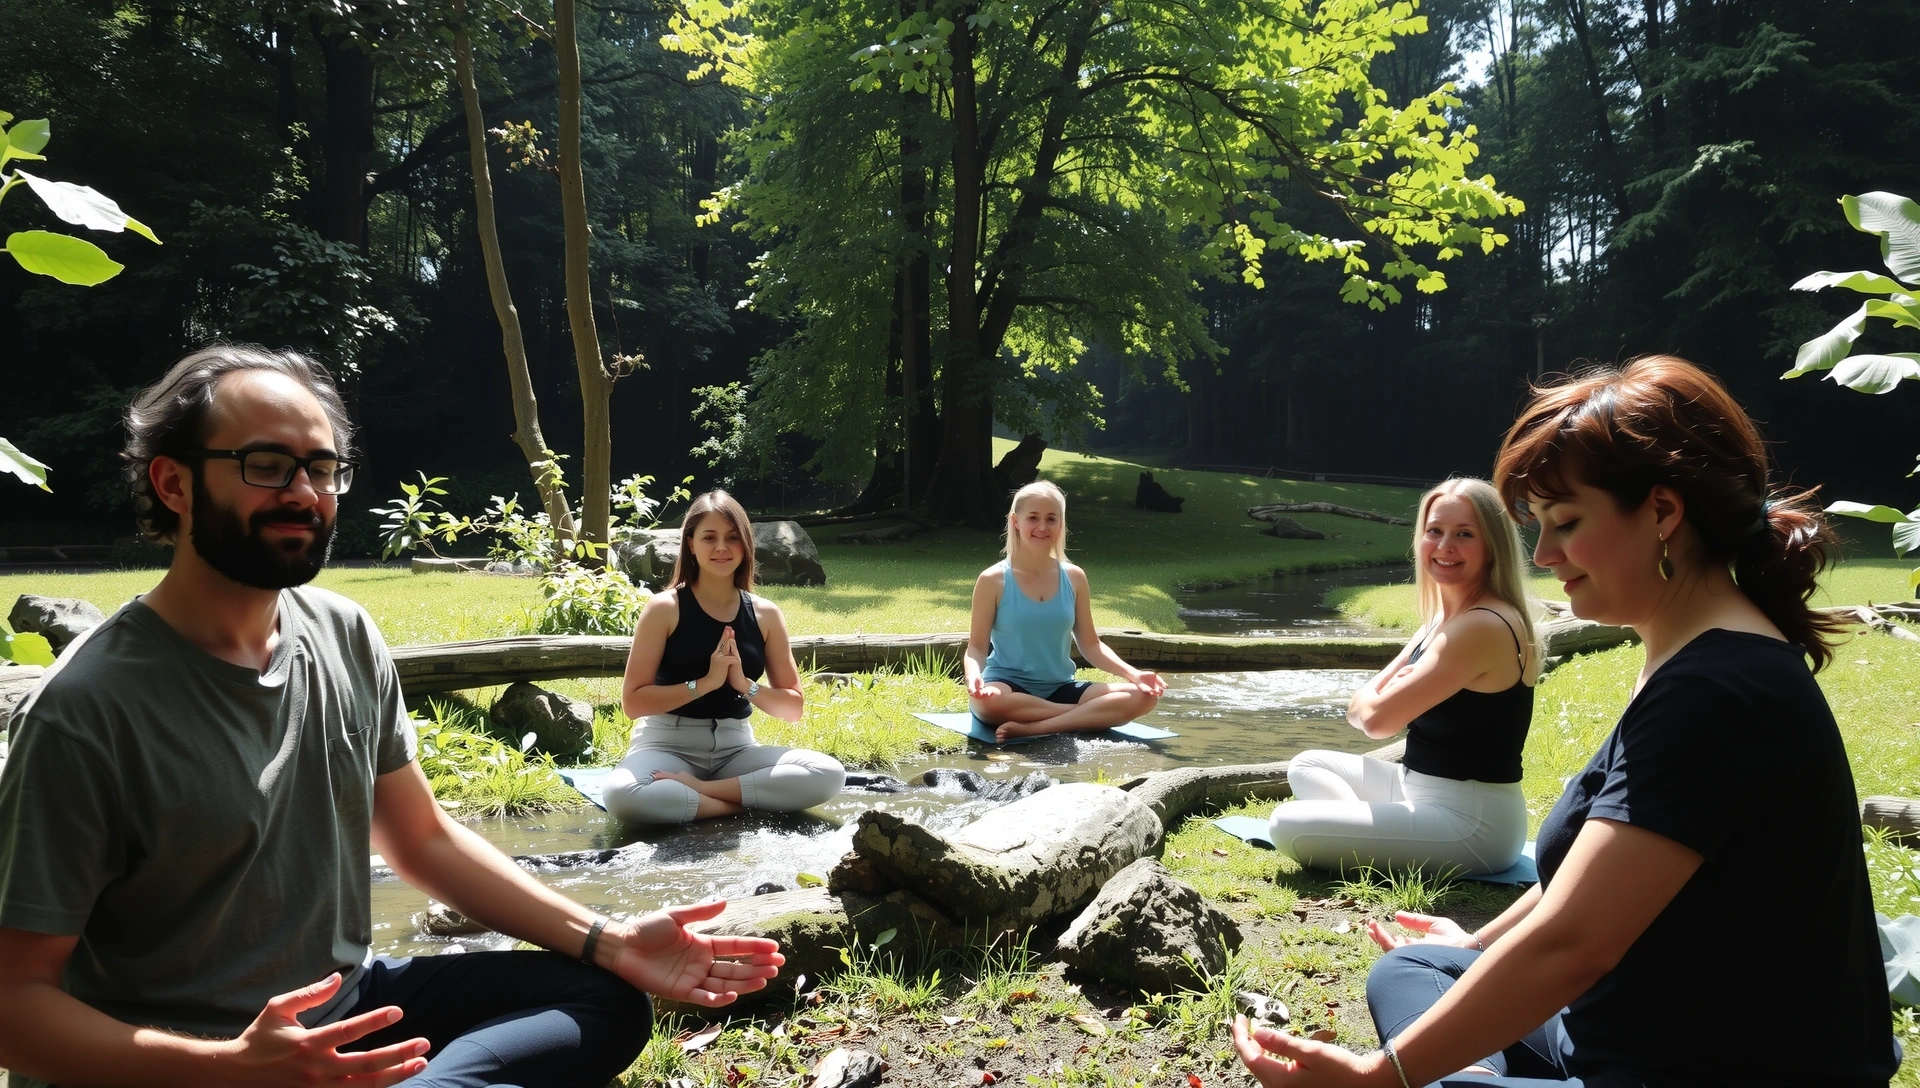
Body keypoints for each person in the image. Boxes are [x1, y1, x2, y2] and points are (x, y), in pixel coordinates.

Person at [0, 346, 784, 1088]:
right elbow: (13, 1007)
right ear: (174, 484)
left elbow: (421, 839)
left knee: (605, 998)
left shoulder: (342, 634)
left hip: (345, 1011)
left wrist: (608, 939)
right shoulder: (87, 709)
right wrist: (231, 1070)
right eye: (266, 466)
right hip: (190, 1067)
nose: (305, 493)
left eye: (322, 468)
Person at [1232, 355, 1895, 1087]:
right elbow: (1596, 875)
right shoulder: (1695, 658)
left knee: (1431, 1044)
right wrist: (1480, 942)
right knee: (1417, 965)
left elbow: (1575, 942)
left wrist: (1375, 1079)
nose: (1544, 556)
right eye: (1538, 527)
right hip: (1632, 1027)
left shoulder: (1720, 692)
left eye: (1567, 523)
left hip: (1698, 1067)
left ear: (1663, 513)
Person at [1266, 478, 1540, 876]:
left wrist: (1380, 696)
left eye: (1464, 534)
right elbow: (1358, 710)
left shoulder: (1481, 626)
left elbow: (1376, 720)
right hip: (1416, 788)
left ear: (1492, 546)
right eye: (1435, 531)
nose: (1445, 546)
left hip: (1473, 823)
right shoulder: (1443, 619)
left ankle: (1368, 830)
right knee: (1308, 764)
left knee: (1285, 825)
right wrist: (1375, 698)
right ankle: (1373, 828)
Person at [604, 490, 845, 824]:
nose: (721, 547)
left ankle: (700, 791)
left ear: (746, 544)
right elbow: (633, 703)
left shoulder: (765, 614)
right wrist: (703, 684)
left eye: (733, 538)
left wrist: (745, 685)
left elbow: (792, 708)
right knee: (624, 796)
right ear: (690, 543)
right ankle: (739, 803)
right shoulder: (664, 609)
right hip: (667, 745)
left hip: (736, 749)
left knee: (828, 773)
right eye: (709, 537)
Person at [964, 480, 1166, 744]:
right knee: (989, 704)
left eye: (1051, 519)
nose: (1042, 527)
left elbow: (1091, 645)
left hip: (1061, 687)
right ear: (1015, 521)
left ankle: (1035, 727)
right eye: (1033, 518)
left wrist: (1135, 674)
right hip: (1007, 687)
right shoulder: (993, 579)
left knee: (1145, 696)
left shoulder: (1074, 577)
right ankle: (1086, 717)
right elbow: (976, 648)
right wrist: (974, 676)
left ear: (1061, 523)